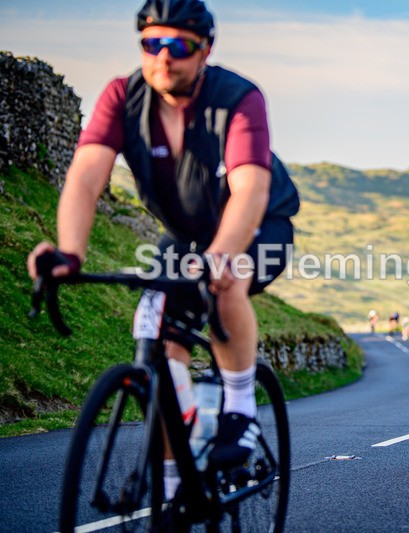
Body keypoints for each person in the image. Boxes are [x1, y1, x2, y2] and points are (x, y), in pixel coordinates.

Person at [26, 0, 299, 501]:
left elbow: (250, 191)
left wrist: (220, 255)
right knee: (157, 322)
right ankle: (175, 483)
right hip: (188, 233)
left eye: (179, 45)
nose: (164, 56)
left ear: (205, 50)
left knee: (227, 279)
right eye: (152, 44)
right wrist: (69, 252)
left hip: (260, 224)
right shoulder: (122, 97)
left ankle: (241, 412)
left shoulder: (238, 98)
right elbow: (85, 178)